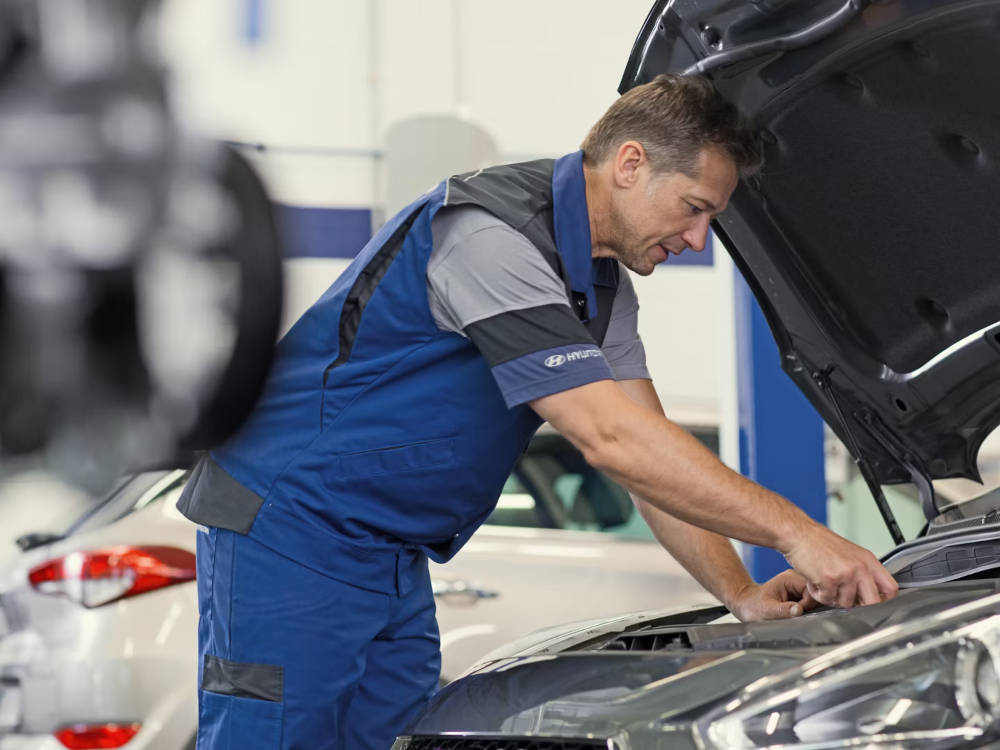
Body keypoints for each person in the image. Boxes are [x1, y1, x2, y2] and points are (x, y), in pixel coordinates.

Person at [178, 73, 898, 750]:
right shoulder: (489, 234)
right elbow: (609, 438)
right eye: (694, 207)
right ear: (630, 163)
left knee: (398, 738)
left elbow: (649, 451)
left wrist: (739, 593)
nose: (697, 239)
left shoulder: (601, 287)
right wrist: (800, 533)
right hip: (293, 524)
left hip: (387, 547)